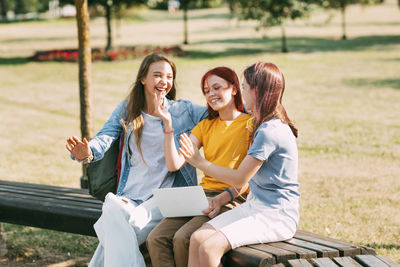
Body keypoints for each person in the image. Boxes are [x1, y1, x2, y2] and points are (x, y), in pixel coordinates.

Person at [65, 53, 208, 267]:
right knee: (113, 207)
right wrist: (87, 152)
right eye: (157, 75)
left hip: (165, 198)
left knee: (112, 226)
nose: (164, 82)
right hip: (130, 198)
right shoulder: (127, 109)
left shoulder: (182, 111)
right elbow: (105, 137)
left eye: (169, 77)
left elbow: (220, 113)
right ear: (143, 78)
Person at [179, 62, 300, 267]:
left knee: (209, 248)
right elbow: (246, 178)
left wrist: (199, 162)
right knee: (197, 239)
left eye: (244, 87)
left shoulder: (270, 130)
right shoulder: (261, 124)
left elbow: (240, 177)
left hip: (276, 215)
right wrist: (221, 198)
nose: (242, 93)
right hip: (255, 206)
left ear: (258, 90)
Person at [146, 66, 251, 267]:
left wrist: (225, 195)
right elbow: (174, 164)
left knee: (183, 238)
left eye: (217, 88)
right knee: (155, 238)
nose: (211, 94)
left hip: (231, 197)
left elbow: (249, 178)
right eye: (206, 91)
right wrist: (168, 125)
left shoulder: (249, 124)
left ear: (234, 88)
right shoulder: (206, 126)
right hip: (201, 197)